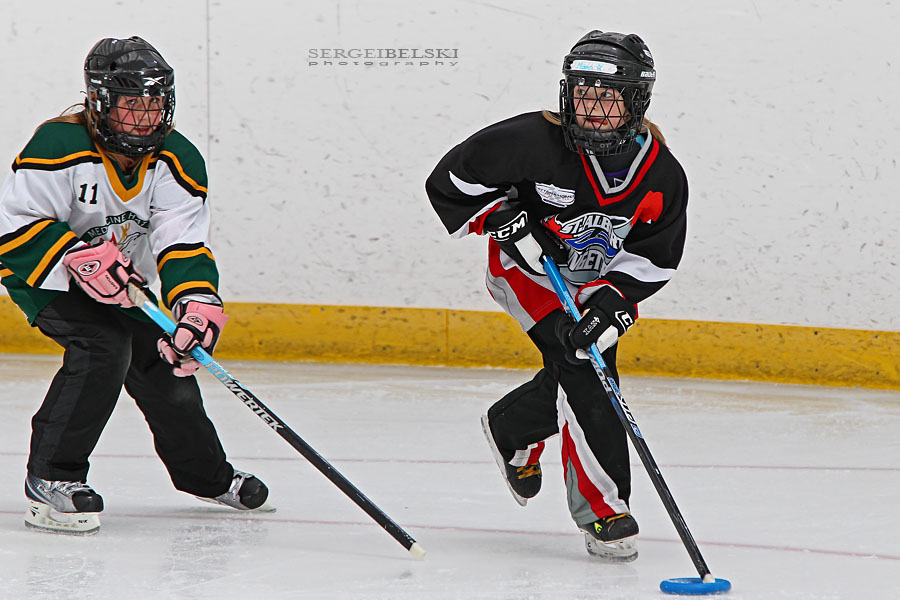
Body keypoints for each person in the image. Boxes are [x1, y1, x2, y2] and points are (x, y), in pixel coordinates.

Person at [425, 31, 687, 561]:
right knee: (585, 365)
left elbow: (654, 255)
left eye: (608, 97)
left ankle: (514, 424)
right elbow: (450, 182)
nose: (592, 108)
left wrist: (614, 304)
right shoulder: (528, 140)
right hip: (530, 274)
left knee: (584, 360)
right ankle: (604, 509)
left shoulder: (662, 174)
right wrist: (500, 218)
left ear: (636, 102)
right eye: (583, 93)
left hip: (597, 284)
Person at [0, 36, 272, 535]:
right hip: (47, 277)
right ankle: (52, 478)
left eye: (153, 101)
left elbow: (182, 245)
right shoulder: (57, 144)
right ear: (101, 102)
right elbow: (12, 225)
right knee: (103, 346)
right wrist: (75, 257)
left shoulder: (178, 158)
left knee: (166, 362)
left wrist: (196, 304)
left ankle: (205, 477)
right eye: (130, 103)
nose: (143, 115)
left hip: (127, 284)